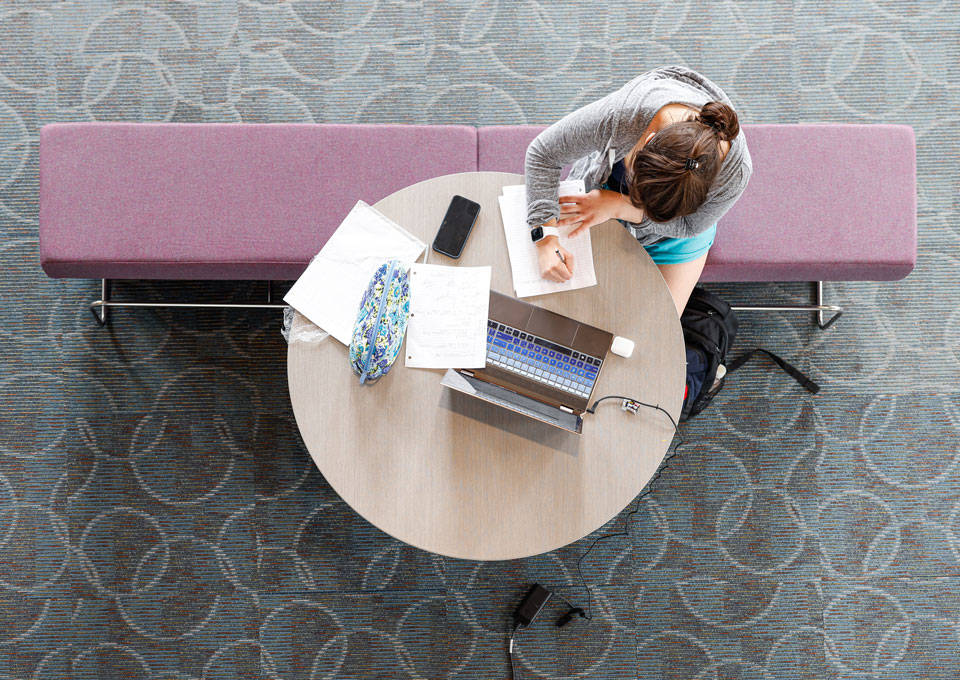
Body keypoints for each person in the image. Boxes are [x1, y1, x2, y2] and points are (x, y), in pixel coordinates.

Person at [524, 65, 753, 315]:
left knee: (657, 328)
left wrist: (621, 206)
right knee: (572, 309)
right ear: (647, 140)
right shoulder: (625, 115)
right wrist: (545, 238)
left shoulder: (736, 173)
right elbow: (542, 153)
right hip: (599, 193)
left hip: (675, 236)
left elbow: (689, 226)